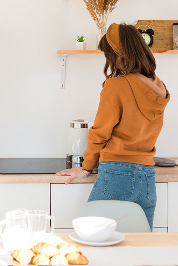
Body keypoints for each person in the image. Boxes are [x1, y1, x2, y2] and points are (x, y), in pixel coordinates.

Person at [56, 23, 170, 230]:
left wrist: (86, 167)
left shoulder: (116, 86)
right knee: (139, 246)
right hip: (147, 176)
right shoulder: (158, 86)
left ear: (118, 54)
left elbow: (100, 133)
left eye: (108, 54)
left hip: (117, 174)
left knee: (92, 237)